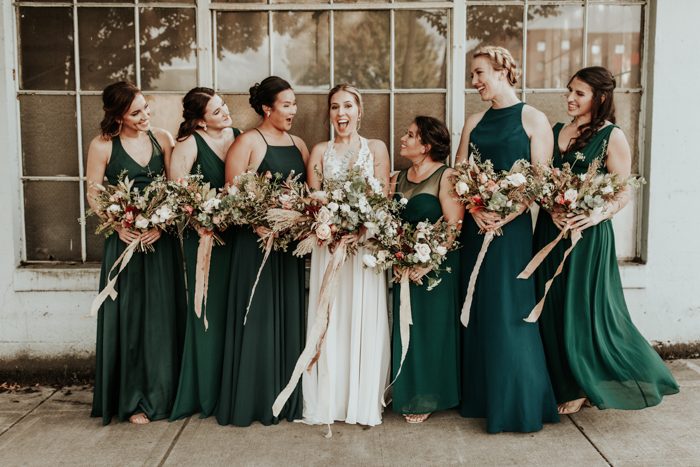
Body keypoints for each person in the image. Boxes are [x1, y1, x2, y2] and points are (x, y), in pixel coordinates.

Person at [533, 66, 679, 414]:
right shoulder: (555, 131)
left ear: (599, 97)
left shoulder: (612, 136)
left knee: (581, 309)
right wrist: (550, 208)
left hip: (588, 236)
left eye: (578, 93)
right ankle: (557, 379)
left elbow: (623, 189)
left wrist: (595, 214)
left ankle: (583, 384)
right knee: (550, 304)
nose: (569, 98)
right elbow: (542, 182)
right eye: (568, 91)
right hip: (550, 232)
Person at [454, 46, 559, 433]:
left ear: (502, 71)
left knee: (509, 311)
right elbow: (458, 172)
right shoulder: (473, 121)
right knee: (480, 310)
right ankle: (483, 398)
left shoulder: (534, 119)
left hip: (511, 233)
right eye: (472, 75)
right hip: (476, 226)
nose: (474, 82)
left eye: (479, 73)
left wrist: (506, 213)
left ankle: (519, 403)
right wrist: (476, 209)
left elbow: (540, 180)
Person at [87, 81, 186, 425]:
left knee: (161, 318)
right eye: (135, 113)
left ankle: (164, 394)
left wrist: (163, 222)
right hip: (124, 242)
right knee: (129, 319)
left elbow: (175, 188)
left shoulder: (162, 139)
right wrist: (116, 224)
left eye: (146, 108)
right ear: (117, 115)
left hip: (160, 242)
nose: (145, 116)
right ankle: (132, 400)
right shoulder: (102, 146)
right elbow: (94, 193)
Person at [216, 76, 309, 426]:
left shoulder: (299, 144)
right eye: (287, 105)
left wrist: (300, 220)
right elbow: (232, 196)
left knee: (286, 318)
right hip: (255, 248)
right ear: (267, 108)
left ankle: (284, 400)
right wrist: (258, 223)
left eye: (294, 104)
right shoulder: (247, 143)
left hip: (288, 250)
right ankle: (252, 400)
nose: (293, 111)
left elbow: (304, 195)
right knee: (257, 319)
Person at [300, 84, 391, 427]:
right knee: (333, 317)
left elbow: (382, 198)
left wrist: (362, 228)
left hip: (364, 248)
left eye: (348, 106)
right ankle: (333, 398)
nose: (341, 113)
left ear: (359, 110)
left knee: (363, 315)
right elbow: (314, 201)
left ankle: (362, 399)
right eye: (335, 107)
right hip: (331, 247)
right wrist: (332, 227)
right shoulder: (320, 150)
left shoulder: (376, 148)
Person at [168, 88, 241, 420]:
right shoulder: (187, 146)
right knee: (207, 311)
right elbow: (176, 197)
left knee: (232, 312)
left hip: (237, 238)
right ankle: (205, 391)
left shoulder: (239, 136)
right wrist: (201, 222)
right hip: (205, 240)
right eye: (216, 111)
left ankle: (232, 388)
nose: (225, 113)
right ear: (199, 120)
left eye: (224, 106)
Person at [389, 116, 463, 423]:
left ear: (427, 145)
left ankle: (430, 393)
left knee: (432, 330)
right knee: (407, 327)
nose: (403, 139)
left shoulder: (446, 177)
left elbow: (453, 226)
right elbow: (390, 224)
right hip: (404, 266)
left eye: (410, 135)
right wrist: (396, 257)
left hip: (436, 268)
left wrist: (427, 262)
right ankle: (408, 389)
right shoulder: (398, 177)